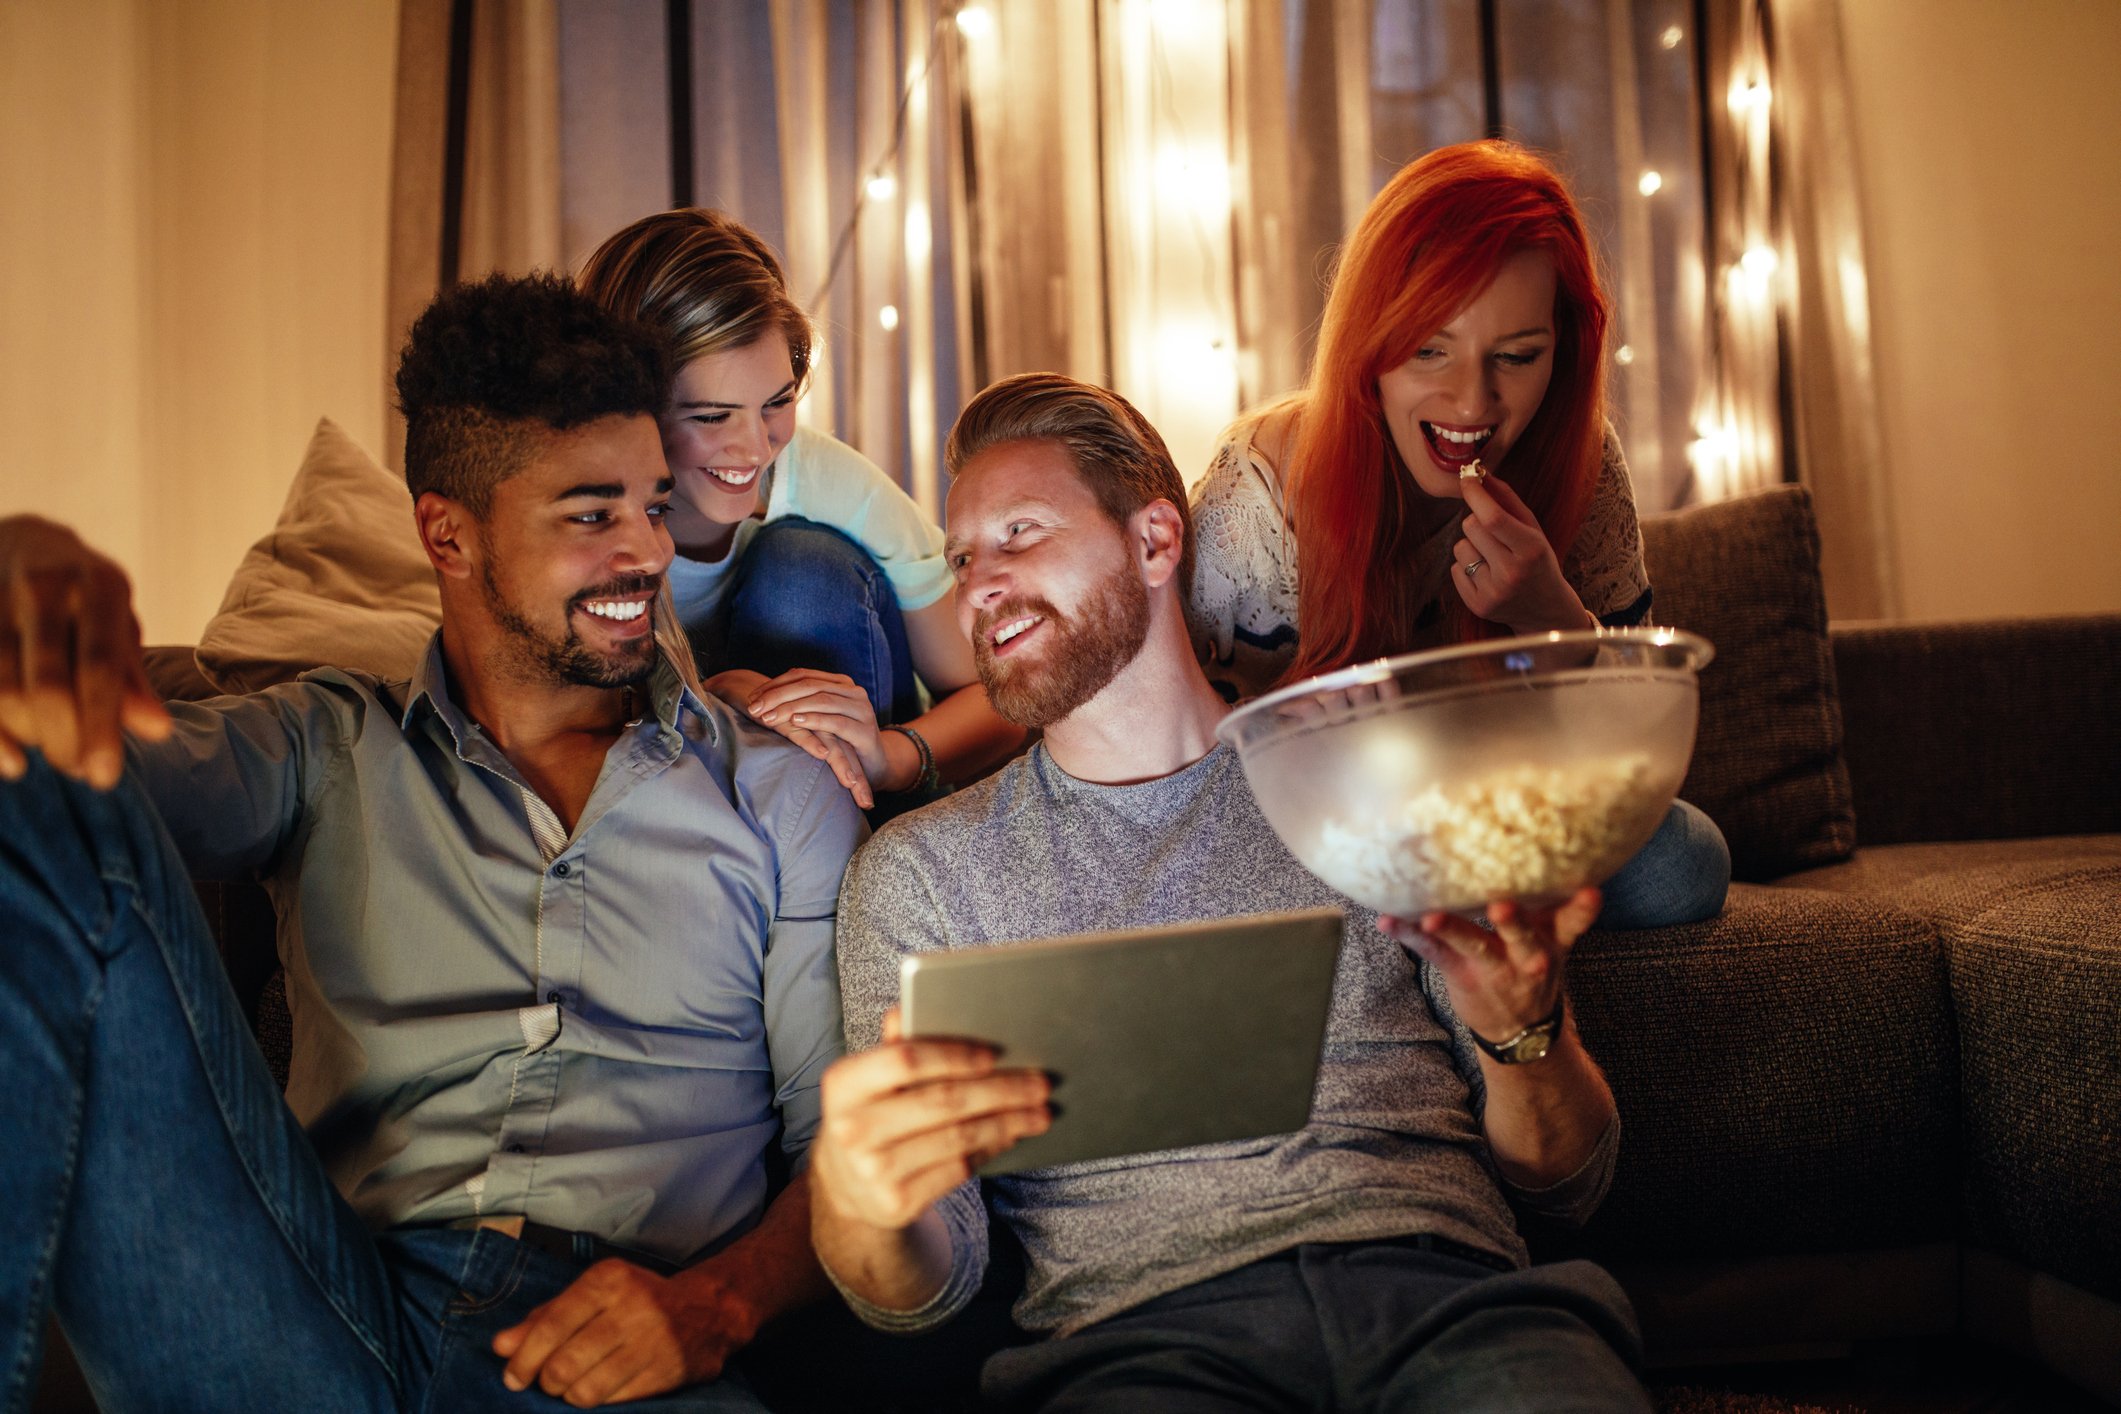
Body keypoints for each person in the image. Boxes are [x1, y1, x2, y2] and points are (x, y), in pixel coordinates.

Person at [0, 273, 862, 1411]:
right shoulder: (323, 742)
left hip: (623, 1343)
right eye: (591, 514)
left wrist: (716, 1307)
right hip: (307, 1310)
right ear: (447, 535)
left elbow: (846, 1150)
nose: (647, 552)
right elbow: (74, 800)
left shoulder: (780, 798)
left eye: (655, 505)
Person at [808, 372, 1653, 1412]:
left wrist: (1525, 1034)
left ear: (1157, 543)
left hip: (1451, 1303)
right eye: (964, 556)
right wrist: (855, 1209)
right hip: (1141, 1349)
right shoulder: (920, 874)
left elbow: (1569, 1183)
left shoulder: (1372, 784)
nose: (979, 584)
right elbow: (926, 1293)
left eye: (1021, 533)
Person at [1187, 139, 1727, 929]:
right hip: (1321, 827)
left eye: (1515, 356)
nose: (1471, 401)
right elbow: (1188, 776)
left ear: (1563, 349)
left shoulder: (1583, 454)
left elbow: (1631, 761)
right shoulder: (1261, 487)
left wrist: (1553, 619)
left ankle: (1451, 920)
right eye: (1428, 349)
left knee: (1684, 863)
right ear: (1368, 350)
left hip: (1496, 807)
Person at [577, 208, 1026, 812]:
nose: (755, 448)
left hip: (865, 776)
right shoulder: (577, 511)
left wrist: (889, 756)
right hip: (684, 781)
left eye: (777, 402)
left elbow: (1001, 699)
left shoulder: (829, 481)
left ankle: (858, 856)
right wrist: (713, 700)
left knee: (803, 566)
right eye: (711, 416)